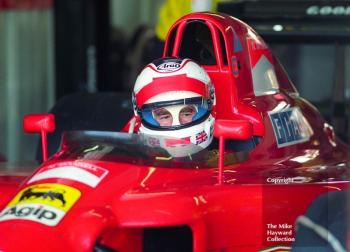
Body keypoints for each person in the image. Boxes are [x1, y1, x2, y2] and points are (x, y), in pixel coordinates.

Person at [129, 57, 216, 158]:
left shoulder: (228, 159)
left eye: (186, 113)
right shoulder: (128, 159)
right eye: (165, 116)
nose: (177, 123)